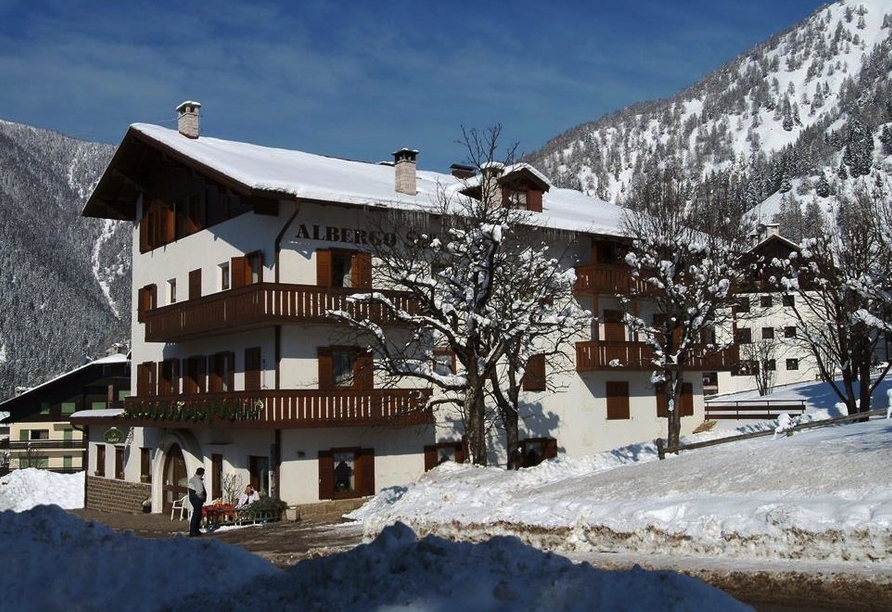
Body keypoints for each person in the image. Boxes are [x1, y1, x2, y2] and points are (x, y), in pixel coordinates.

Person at [187, 467, 207, 537]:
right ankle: (193, 531)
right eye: (203, 473)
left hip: (193, 498)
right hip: (197, 499)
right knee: (197, 514)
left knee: (197, 514)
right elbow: (199, 492)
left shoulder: (192, 479)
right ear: (201, 473)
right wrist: (202, 498)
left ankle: (195, 530)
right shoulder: (198, 481)